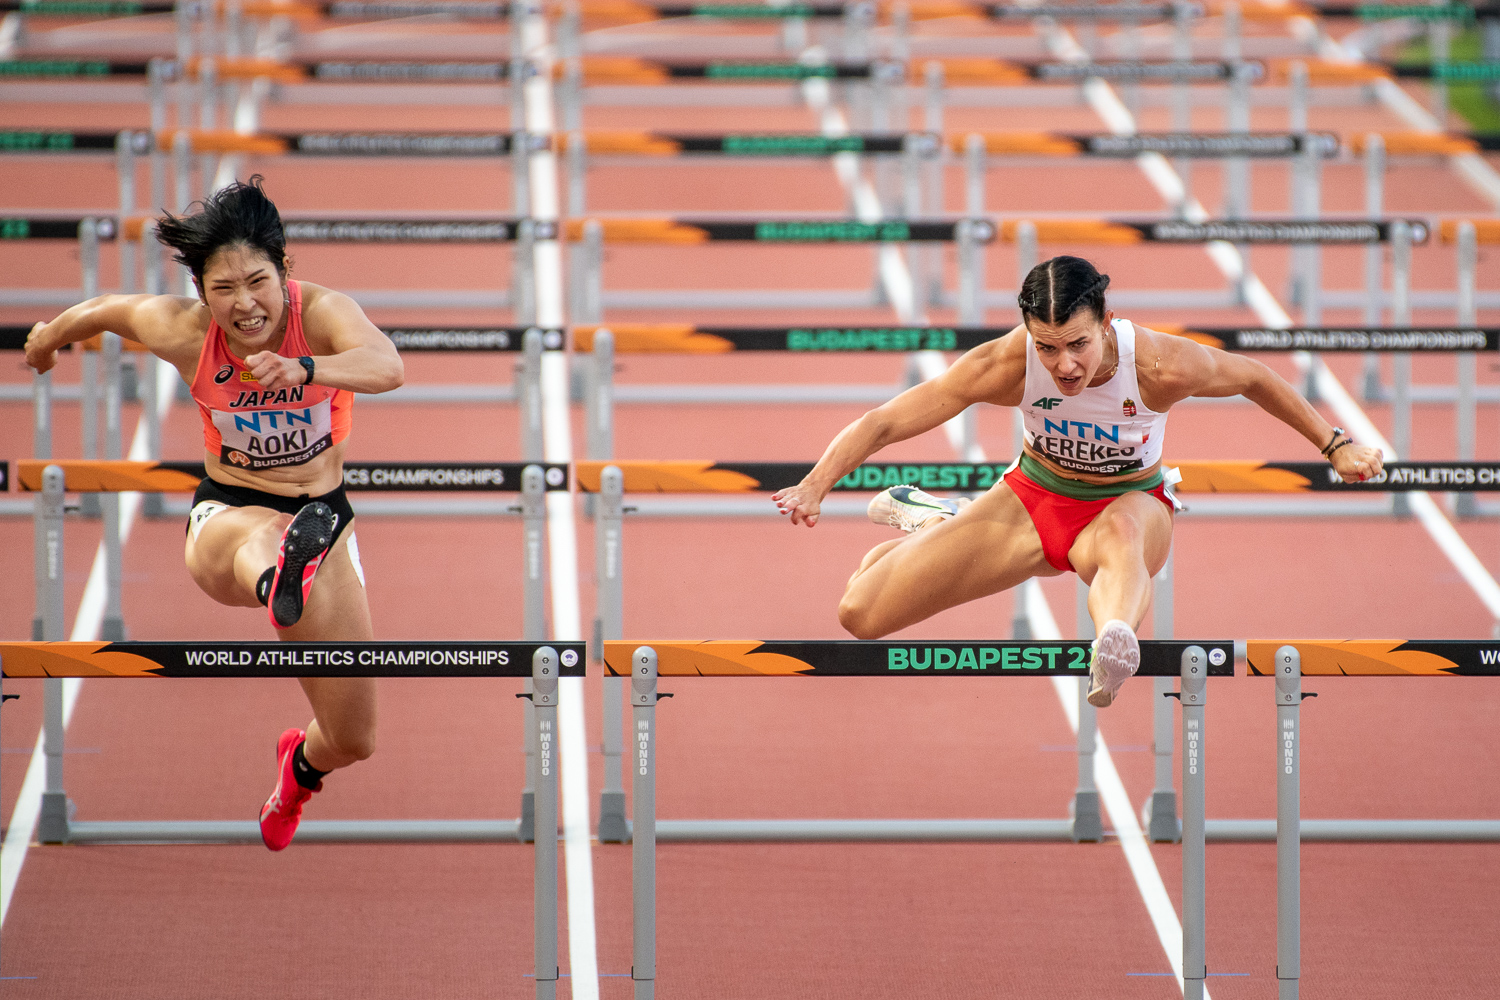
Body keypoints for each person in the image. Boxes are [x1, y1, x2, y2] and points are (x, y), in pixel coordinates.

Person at [772, 255, 1384, 707]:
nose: (1064, 365)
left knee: (1119, 538)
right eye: (1048, 348)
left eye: (1079, 345)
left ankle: (1113, 645)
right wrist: (815, 484)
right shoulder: (1006, 364)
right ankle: (940, 520)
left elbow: (1253, 377)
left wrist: (1335, 444)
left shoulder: (1160, 365)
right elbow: (887, 419)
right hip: (1032, 502)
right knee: (860, 613)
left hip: (1131, 502)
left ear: (1107, 323)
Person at [25, 176, 404, 849]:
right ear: (201, 291)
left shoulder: (321, 313)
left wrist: (308, 370)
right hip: (228, 514)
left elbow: (386, 365)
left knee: (354, 737)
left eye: (256, 282)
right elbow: (106, 309)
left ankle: (297, 768)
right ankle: (282, 575)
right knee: (261, 534)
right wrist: (47, 340)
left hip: (323, 515)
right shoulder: (186, 331)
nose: (243, 304)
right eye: (222, 288)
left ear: (284, 271)